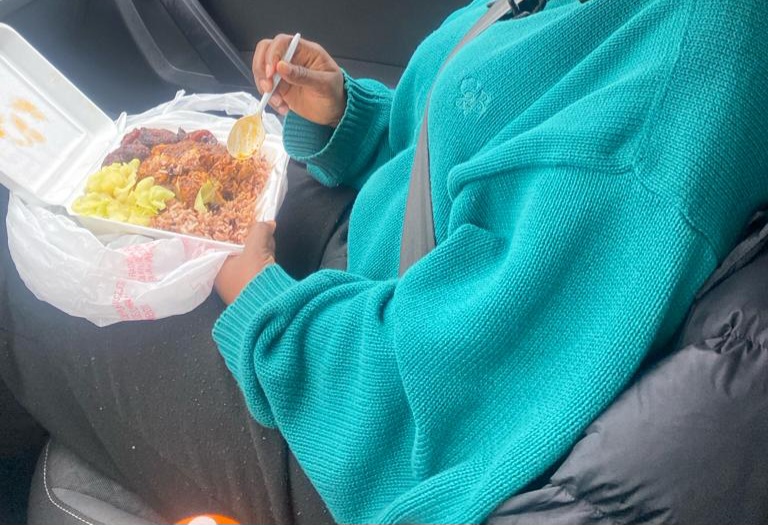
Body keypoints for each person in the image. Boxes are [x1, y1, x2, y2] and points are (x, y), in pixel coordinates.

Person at [2, 0, 768, 523]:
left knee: (18, 290)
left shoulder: (665, 77)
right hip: (375, 300)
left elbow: (443, 395)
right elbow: (486, 150)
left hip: (373, 431)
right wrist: (352, 120)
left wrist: (258, 299)